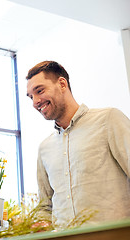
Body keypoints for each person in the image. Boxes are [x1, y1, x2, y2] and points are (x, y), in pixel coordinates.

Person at [26, 60, 130, 227]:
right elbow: (45, 207)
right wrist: (39, 225)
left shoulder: (109, 120)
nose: (35, 102)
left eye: (40, 91)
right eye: (31, 97)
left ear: (62, 84)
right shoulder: (45, 148)